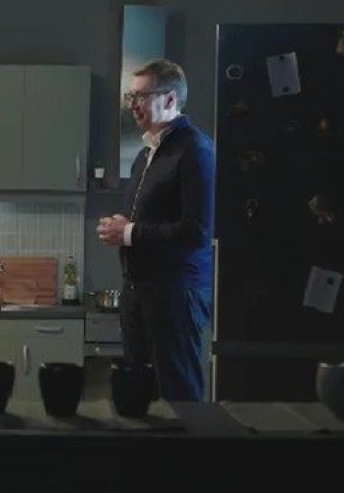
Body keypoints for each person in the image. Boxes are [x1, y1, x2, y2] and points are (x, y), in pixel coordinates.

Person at [97, 59, 215, 402]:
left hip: (176, 295)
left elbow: (197, 231)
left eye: (141, 96)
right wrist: (119, 226)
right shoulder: (145, 155)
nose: (132, 105)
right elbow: (147, 219)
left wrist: (129, 232)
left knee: (178, 395)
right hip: (138, 292)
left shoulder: (195, 149)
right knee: (141, 395)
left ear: (170, 99)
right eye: (130, 97)